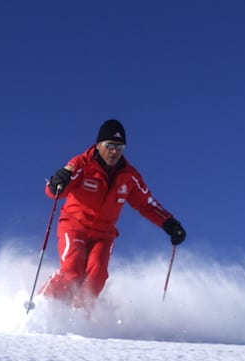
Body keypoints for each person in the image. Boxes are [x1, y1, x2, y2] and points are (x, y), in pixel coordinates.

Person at [40, 119, 185, 309]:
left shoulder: (129, 176)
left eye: (119, 147)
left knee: (97, 275)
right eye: (109, 146)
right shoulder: (82, 164)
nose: (114, 151)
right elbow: (55, 191)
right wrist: (56, 182)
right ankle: (41, 306)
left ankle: (79, 316)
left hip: (103, 235)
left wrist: (169, 223)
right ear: (98, 145)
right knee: (72, 269)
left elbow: (146, 203)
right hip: (74, 226)